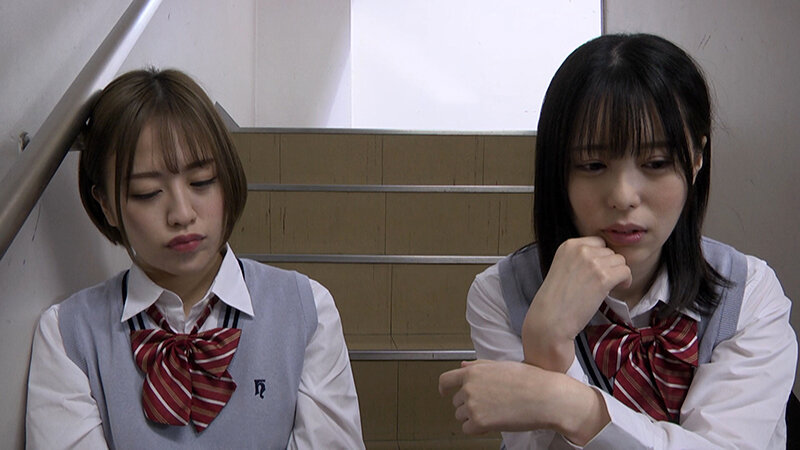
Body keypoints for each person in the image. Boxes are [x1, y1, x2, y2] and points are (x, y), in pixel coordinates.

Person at [439, 33, 796, 449]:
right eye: (592, 164)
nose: (624, 196)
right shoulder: (502, 295)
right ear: (559, 168)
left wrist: (569, 404)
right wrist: (547, 338)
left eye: (656, 162)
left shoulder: (748, 293)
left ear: (697, 159)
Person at [26, 68, 364, 449]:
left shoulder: (307, 310)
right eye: (147, 192)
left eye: (201, 181)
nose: (182, 214)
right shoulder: (67, 335)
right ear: (105, 205)